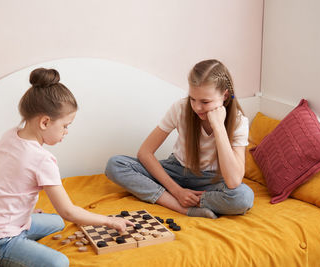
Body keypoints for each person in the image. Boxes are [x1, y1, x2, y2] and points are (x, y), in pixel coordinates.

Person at [0, 68, 134, 267]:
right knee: (59, 263)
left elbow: (10, 181)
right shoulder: (42, 160)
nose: (66, 132)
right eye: (66, 125)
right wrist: (109, 221)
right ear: (45, 122)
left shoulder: (10, 135)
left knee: (57, 223)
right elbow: (69, 212)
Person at [105, 59, 254, 219]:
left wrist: (218, 127)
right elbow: (145, 152)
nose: (197, 107)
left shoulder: (239, 122)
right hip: (176, 170)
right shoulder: (180, 108)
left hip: (210, 181)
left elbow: (233, 181)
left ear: (225, 95)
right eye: (192, 98)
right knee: (116, 165)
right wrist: (177, 191)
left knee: (243, 197)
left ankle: (190, 200)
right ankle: (182, 207)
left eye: (205, 101)